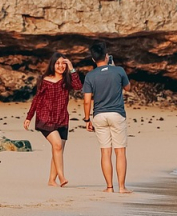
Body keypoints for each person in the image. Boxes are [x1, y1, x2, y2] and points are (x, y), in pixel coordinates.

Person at [23, 51, 83, 187]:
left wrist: (72, 68)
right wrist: (29, 117)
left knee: (58, 149)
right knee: (57, 145)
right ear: (52, 65)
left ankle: (51, 180)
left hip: (62, 119)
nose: (61, 66)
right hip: (46, 118)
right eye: (57, 63)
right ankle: (61, 177)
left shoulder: (66, 80)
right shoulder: (44, 80)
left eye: (63, 63)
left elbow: (78, 86)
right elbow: (37, 99)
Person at [82, 41, 131, 193]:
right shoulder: (119, 70)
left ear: (93, 60)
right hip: (116, 113)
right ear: (106, 56)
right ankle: (122, 187)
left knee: (105, 152)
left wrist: (87, 119)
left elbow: (86, 100)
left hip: (99, 115)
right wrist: (114, 66)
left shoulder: (90, 76)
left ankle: (109, 187)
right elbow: (128, 88)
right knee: (120, 151)